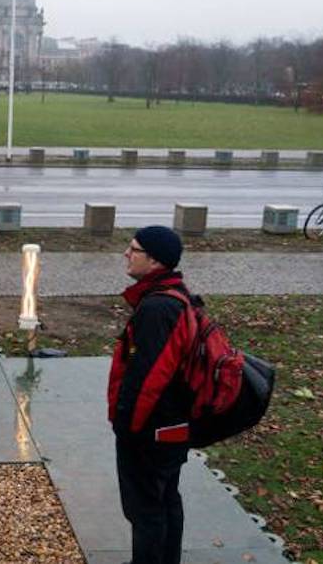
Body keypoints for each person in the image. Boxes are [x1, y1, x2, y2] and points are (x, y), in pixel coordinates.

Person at [108, 225, 196, 564]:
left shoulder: (158, 308)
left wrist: (126, 426)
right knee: (165, 499)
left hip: (150, 431)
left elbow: (148, 378)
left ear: (156, 260)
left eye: (134, 249)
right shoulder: (174, 295)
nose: (126, 255)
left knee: (145, 510)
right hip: (171, 427)